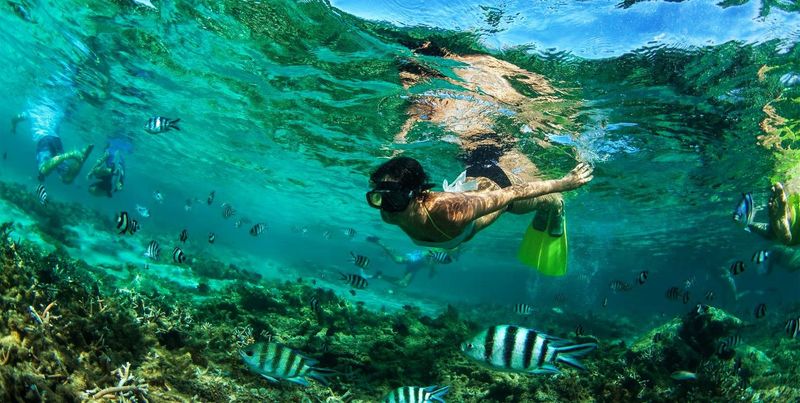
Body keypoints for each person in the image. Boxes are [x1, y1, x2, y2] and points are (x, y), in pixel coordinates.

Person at [368, 44, 593, 276]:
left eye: (392, 198)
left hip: (497, 184)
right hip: (471, 169)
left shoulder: (452, 211)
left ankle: (555, 205)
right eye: (377, 198)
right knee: (480, 155)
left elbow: (513, 193)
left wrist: (565, 183)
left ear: (418, 195)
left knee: (521, 205)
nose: (385, 207)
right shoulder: (390, 210)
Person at [366, 235, 442, 287]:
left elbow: (433, 261)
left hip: (416, 266)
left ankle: (380, 276)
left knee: (403, 283)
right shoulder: (438, 253)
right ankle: (379, 242)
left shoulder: (439, 256)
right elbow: (429, 255)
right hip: (416, 259)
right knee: (397, 260)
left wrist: (432, 269)